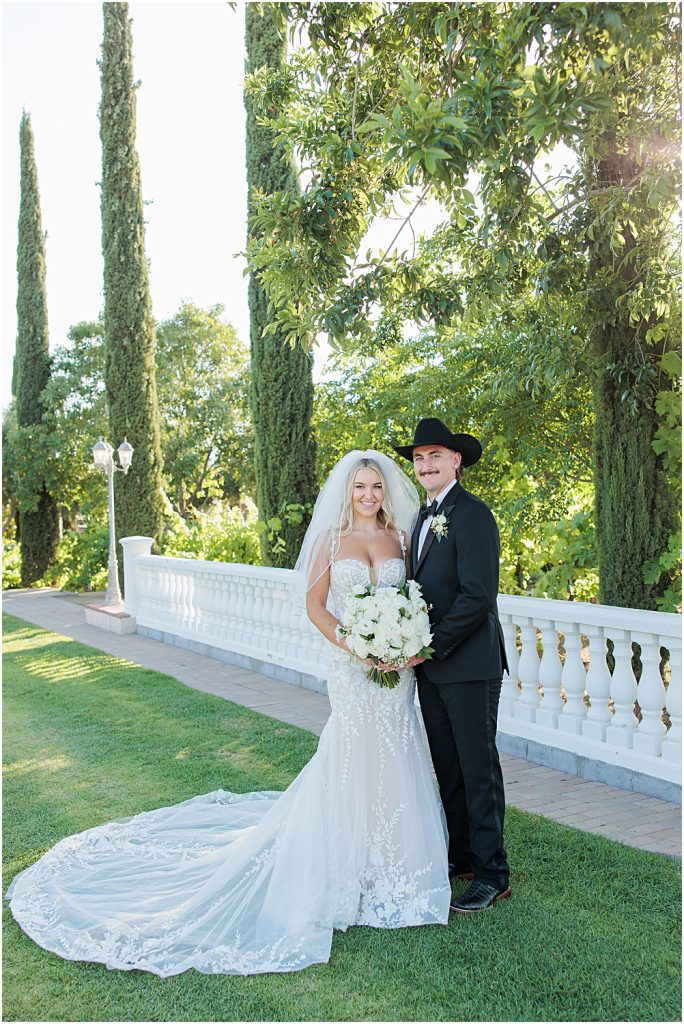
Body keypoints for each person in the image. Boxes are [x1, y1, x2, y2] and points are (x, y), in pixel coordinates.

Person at [6, 450, 450, 977]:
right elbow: (314, 607)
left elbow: (408, 598)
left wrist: (405, 641)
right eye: (361, 488)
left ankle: (392, 867)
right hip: (352, 666)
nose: (370, 496)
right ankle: (344, 865)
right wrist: (358, 646)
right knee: (353, 749)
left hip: (396, 669)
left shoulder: (400, 537)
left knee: (396, 750)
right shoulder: (333, 541)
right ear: (347, 492)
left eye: (377, 487)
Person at [393, 417, 511, 913]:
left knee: (477, 767)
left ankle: (492, 874)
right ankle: (461, 856)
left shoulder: (473, 515)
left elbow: (478, 596)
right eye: (419, 458)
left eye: (434, 457)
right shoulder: (423, 517)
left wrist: (430, 645)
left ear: (455, 461)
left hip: (468, 665)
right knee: (449, 766)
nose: (425, 465)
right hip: (432, 667)